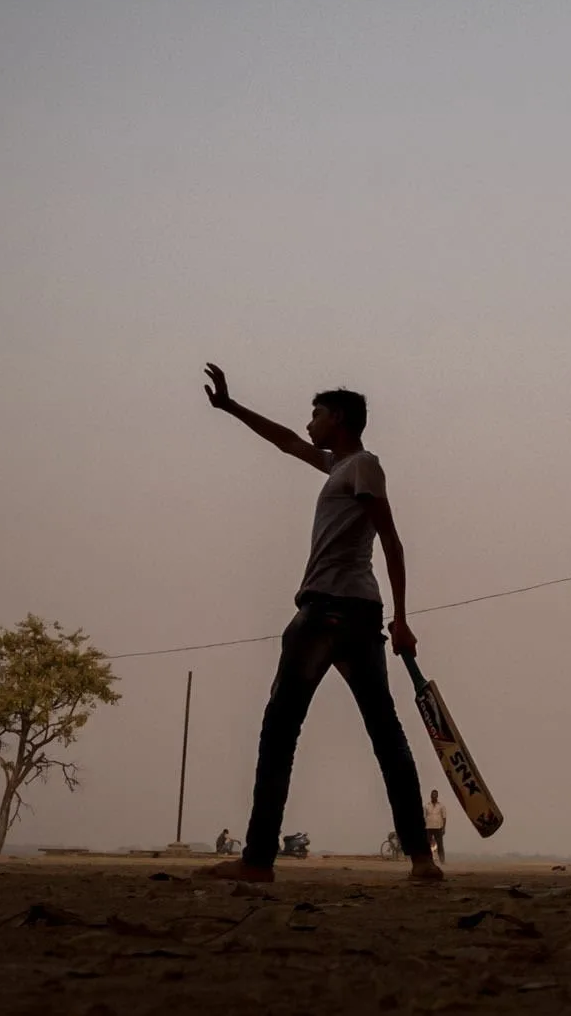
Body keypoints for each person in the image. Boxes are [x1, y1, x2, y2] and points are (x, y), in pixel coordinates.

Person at [197, 365, 440, 884]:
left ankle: (258, 860)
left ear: (341, 420)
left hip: (333, 610)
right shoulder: (339, 466)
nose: (308, 422)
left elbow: (392, 543)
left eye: (317, 414)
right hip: (354, 614)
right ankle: (421, 861)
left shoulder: (364, 466)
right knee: (384, 733)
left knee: (282, 731)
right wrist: (231, 406)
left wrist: (402, 620)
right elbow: (285, 441)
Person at [425, 789, 447, 863]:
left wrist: (443, 828)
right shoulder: (426, 805)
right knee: (428, 844)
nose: (434, 796)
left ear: (437, 796)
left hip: (438, 827)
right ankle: (428, 860)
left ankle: (442, 860)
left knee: (440, 844)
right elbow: (424, 817)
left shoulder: (441, 806)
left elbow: (444, 817)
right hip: (428, 827)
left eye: (435, 794)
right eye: (432, 794)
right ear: (431, 796)